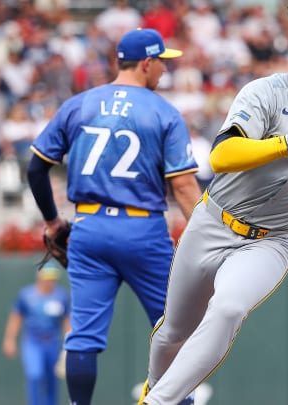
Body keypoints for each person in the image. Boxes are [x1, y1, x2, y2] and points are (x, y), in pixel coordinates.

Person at [137, 16, 288, 405]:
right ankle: (156, 389)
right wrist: (287, 143)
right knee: (173, 332)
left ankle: (156, 402)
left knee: (228, 307)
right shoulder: (264, 93)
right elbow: (221, 156)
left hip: (270, 242)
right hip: (213, 221)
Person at [26, 28, 203, 405]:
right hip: (143, 229)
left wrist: (53, 221)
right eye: (162, 64)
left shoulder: (80, 104)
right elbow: (185, 187)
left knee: (83, 336)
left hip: (89, 228)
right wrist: (212, 233)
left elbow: (35, 169)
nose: (164, 72)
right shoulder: (162, 111)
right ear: (146, 63)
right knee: (172, 329)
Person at [2, 261, 71, 405]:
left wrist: (69, 344)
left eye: (52, 277)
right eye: (47, 276)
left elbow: (66, 321)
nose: (49, 280)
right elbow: (16, 317)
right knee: (35, 375)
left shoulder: (61, 296)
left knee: (52, 379)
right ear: (39, 276)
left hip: (52, 341)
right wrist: (9, 340)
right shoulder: (26, 295)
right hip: (33, 341)